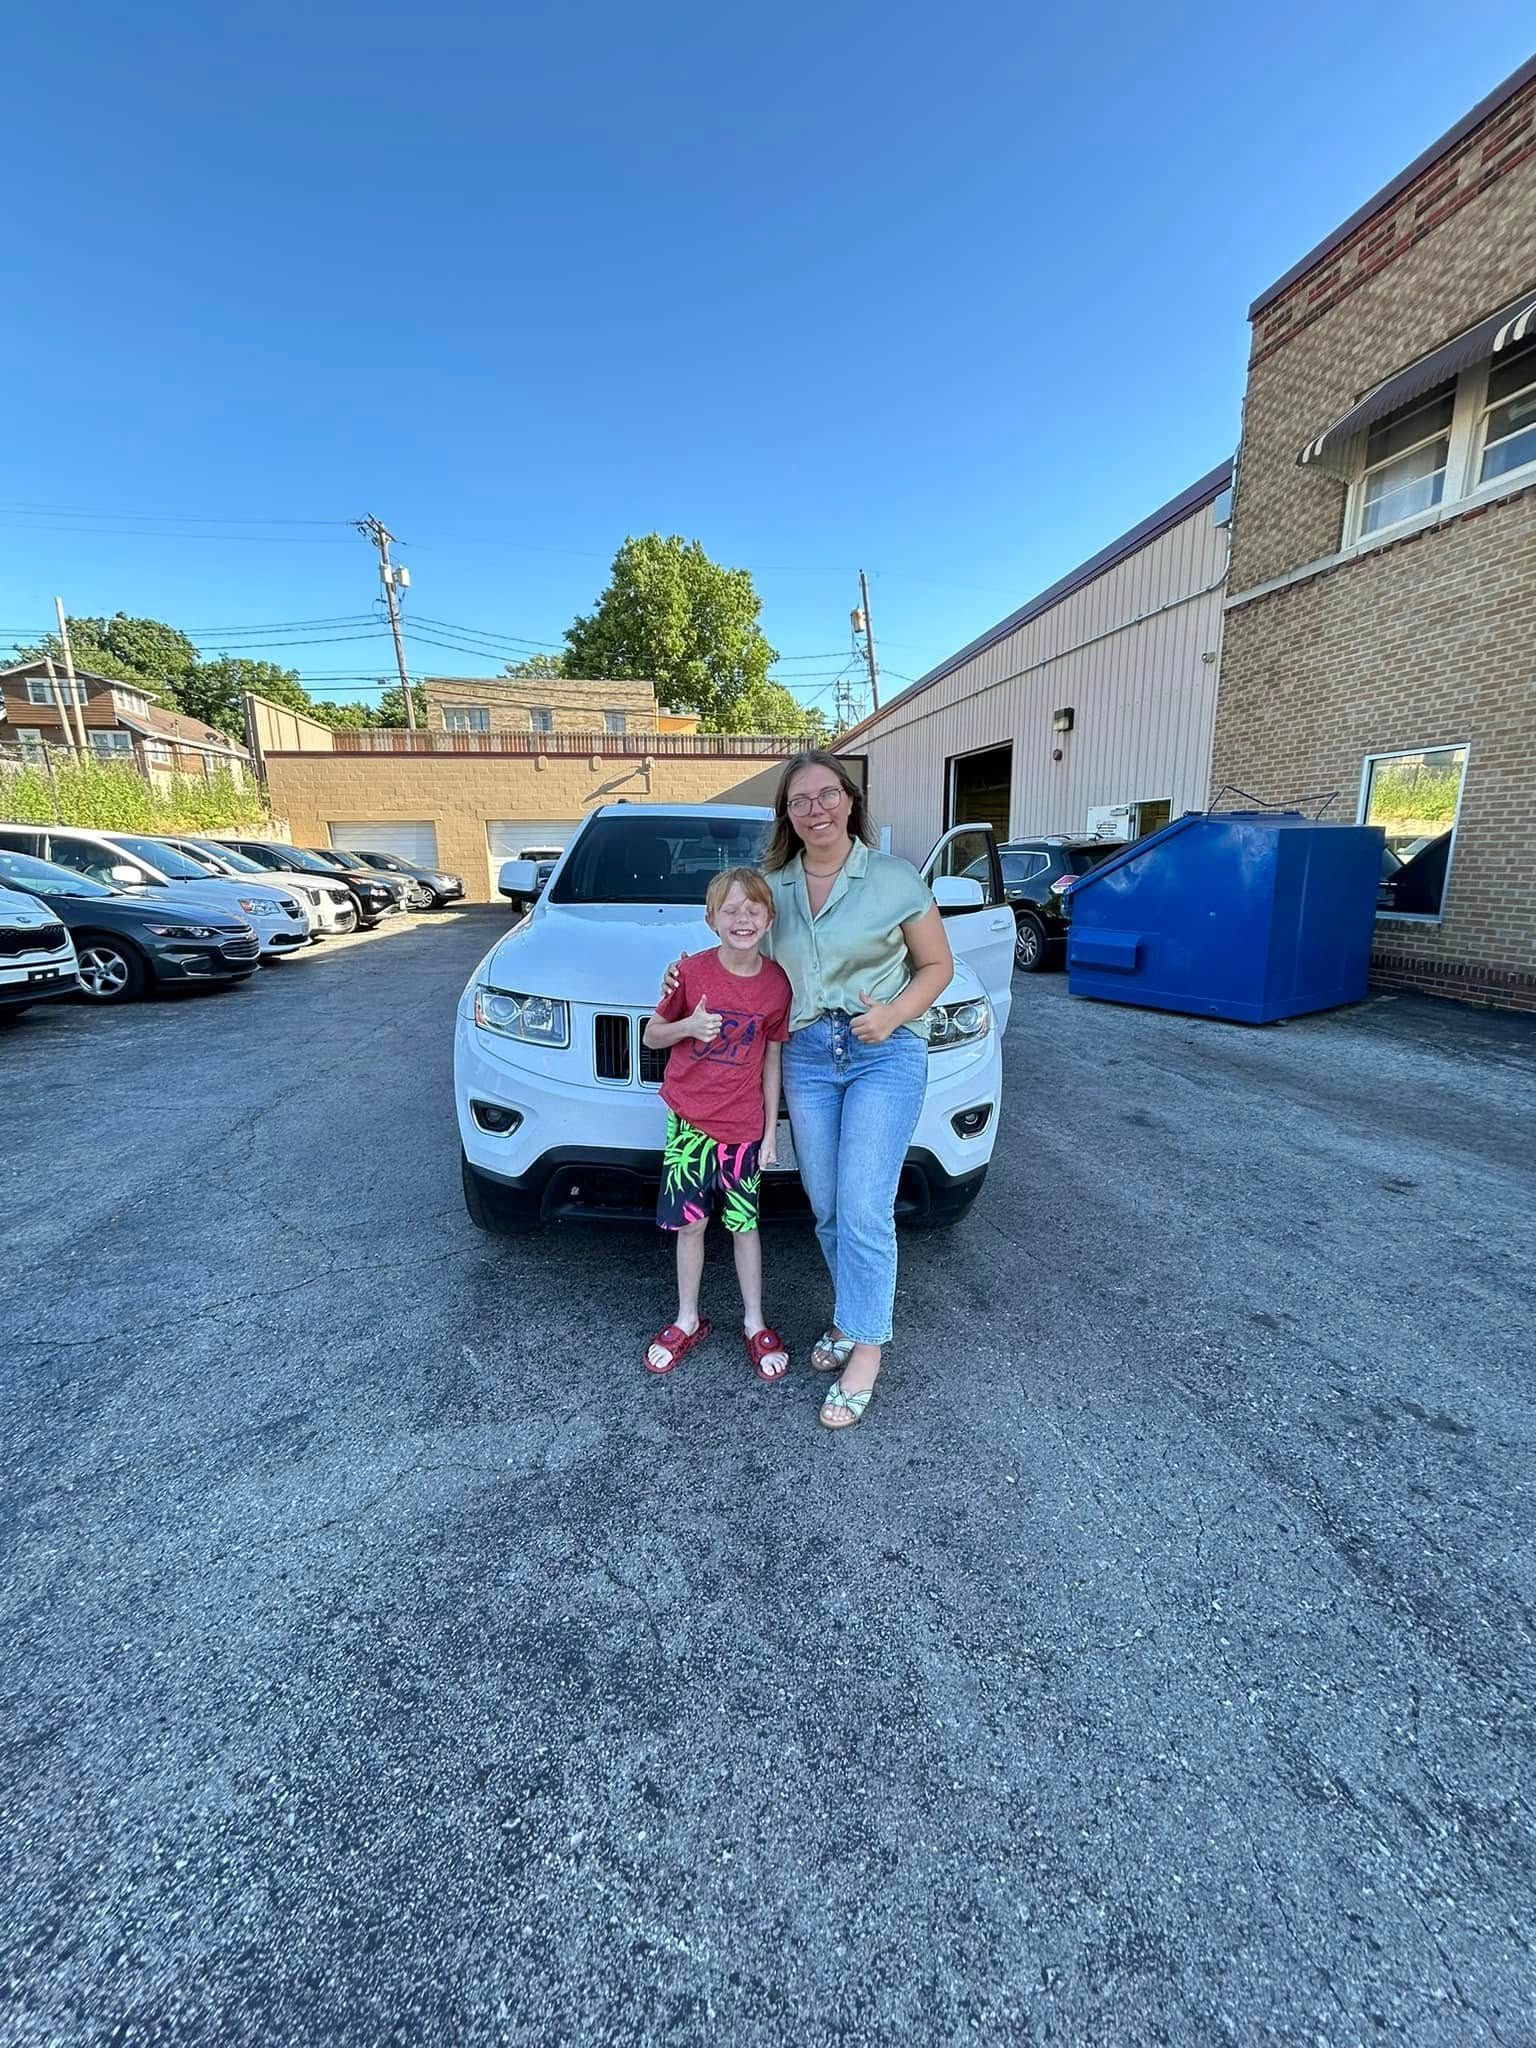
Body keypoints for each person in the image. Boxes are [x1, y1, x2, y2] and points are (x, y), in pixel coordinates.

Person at [661, 751, 953, 1430]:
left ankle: (866, 1350)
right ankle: (853, 1320)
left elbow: (937, 965)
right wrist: (682, 974)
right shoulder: (773, 887)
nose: (815, 809)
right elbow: (737, 950)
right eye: (800, 801)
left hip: (883, 1049)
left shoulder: (893, 877)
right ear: (786, 816)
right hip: (811, 1057)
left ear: (850, 801)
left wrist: (891, 1014)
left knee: (863, 1205)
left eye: (827, 795)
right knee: (825, 1205)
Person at [641, 867, 794, 1383]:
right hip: (689, 1124)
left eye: (753, 909)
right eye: (730, 910)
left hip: (744, 1128)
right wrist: (689, 1026)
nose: (742, 919)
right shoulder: (692, 973)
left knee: (745, 1225)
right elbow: (652, 1036)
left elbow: (772, 1058)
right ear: (711, 920)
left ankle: (754, 1321)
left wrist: (771, 1131)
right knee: (692, 1224)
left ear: (769, 918)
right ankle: (688, 1318)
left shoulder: (777, 984)